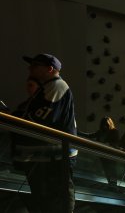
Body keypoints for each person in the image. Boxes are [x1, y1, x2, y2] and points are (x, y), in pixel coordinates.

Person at [12, 53, 77, 213]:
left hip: (54, 158)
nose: (30, 68)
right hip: (47, 158)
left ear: (49, 69)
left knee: (54, 202)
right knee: (47, 202)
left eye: (35, 65)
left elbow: (39, 119)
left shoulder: (56, 87)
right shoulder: (48, 88)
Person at [78, 116, 119, 187]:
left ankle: (114, 185)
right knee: (106, 169)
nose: (104, 126)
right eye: (103, 124)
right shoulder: (100, 132)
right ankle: (111, 184)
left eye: (106, 124)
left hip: (111, 154)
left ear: (109, 124)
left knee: (112, 170)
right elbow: (90, 135)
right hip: (102, 154)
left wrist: (108, 144)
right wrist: (78, 132)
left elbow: (116, 143)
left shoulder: (114, 131)